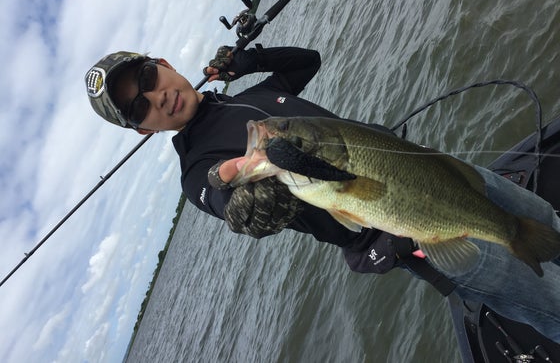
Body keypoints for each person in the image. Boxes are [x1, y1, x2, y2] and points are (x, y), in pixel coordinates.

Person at [85, 45, 560, 342]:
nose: (156, 96)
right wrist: (246, 187)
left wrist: (251, 60)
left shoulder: (248, 99)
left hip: (431, 174)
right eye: (138, 108)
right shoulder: (196, 172)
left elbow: (306, 61)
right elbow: (239, 211)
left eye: (147, 79)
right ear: (143, 130)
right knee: (547, 298)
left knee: (542, 220)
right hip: (404, 226)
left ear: (164, 64)